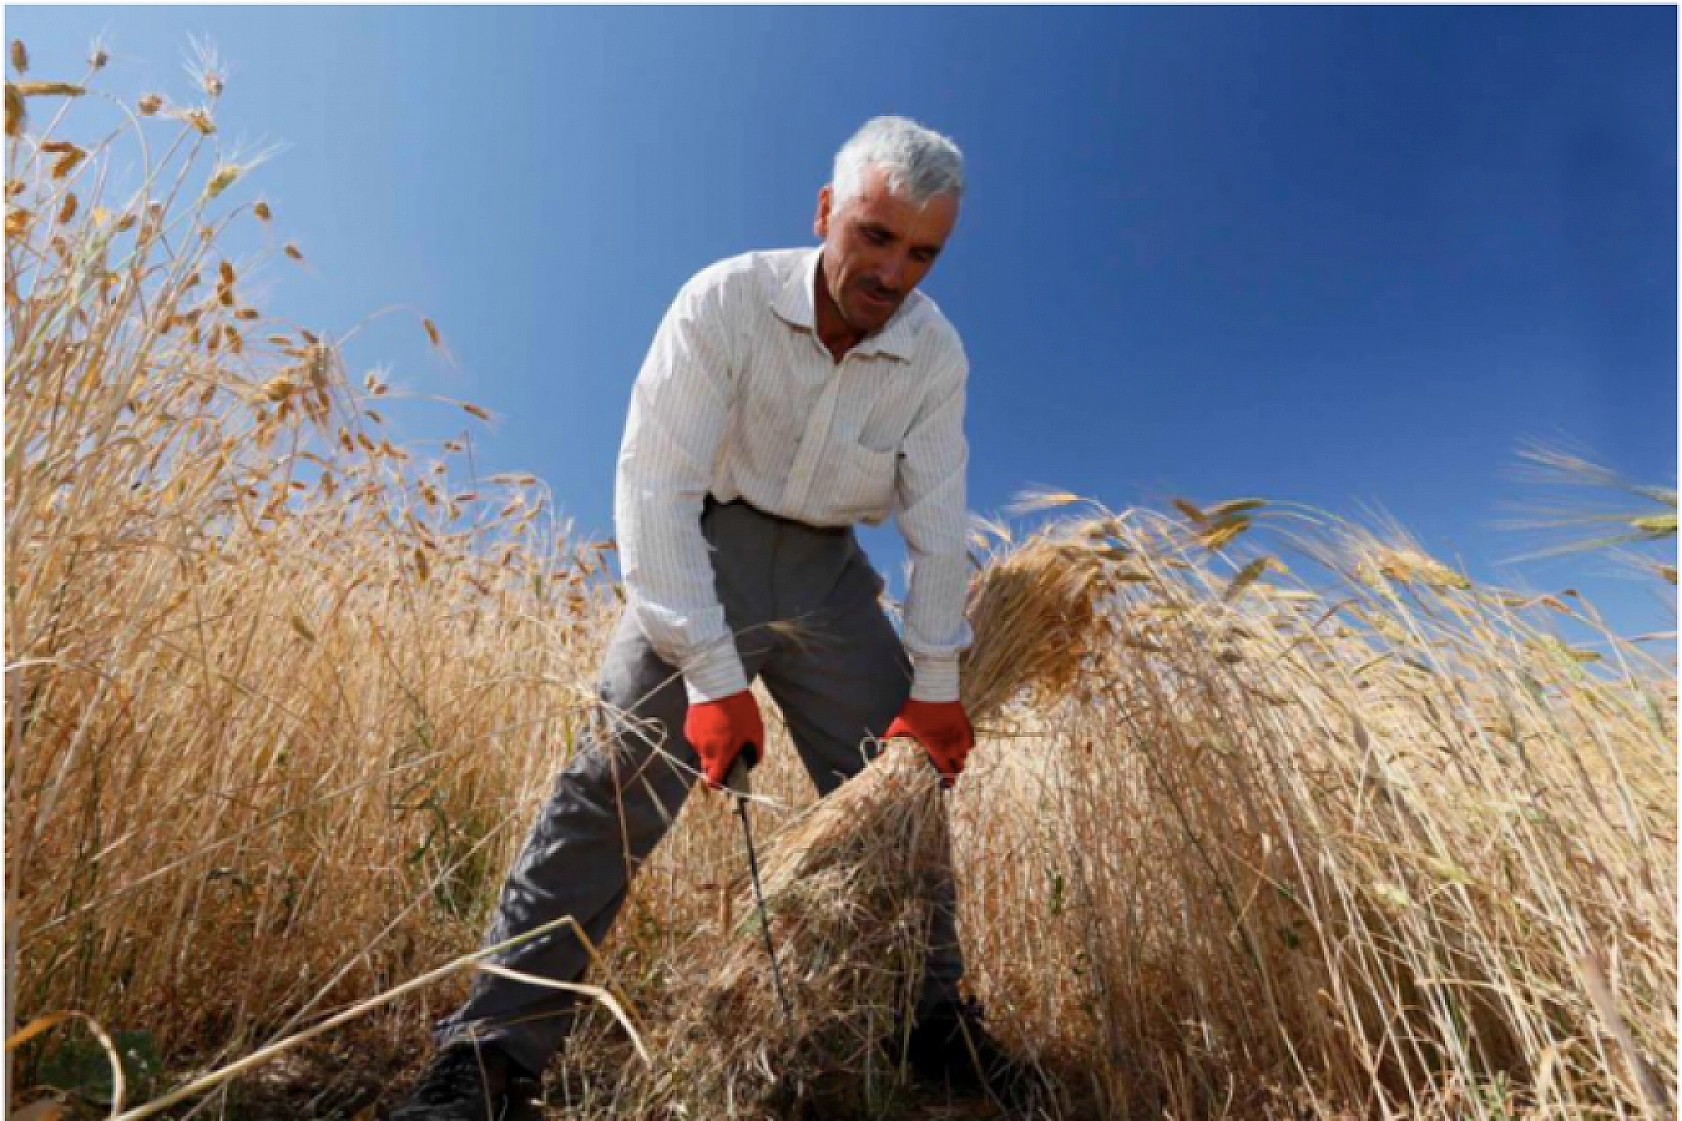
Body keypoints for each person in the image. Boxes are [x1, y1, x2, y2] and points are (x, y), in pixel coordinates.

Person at [393, 115, 1013, 1121]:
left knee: (899, 793)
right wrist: (711, 674)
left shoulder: (934, 354)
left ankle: (930, 1019)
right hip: (703, 547)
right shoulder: (724, 300)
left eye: (922, 253)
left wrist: (936, 686)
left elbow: (937, 528)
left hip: (830, 574)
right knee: (612, 781)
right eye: (874, 236)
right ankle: (490, 1053)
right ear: (825, 210)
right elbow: (655, 487)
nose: (893, 274)